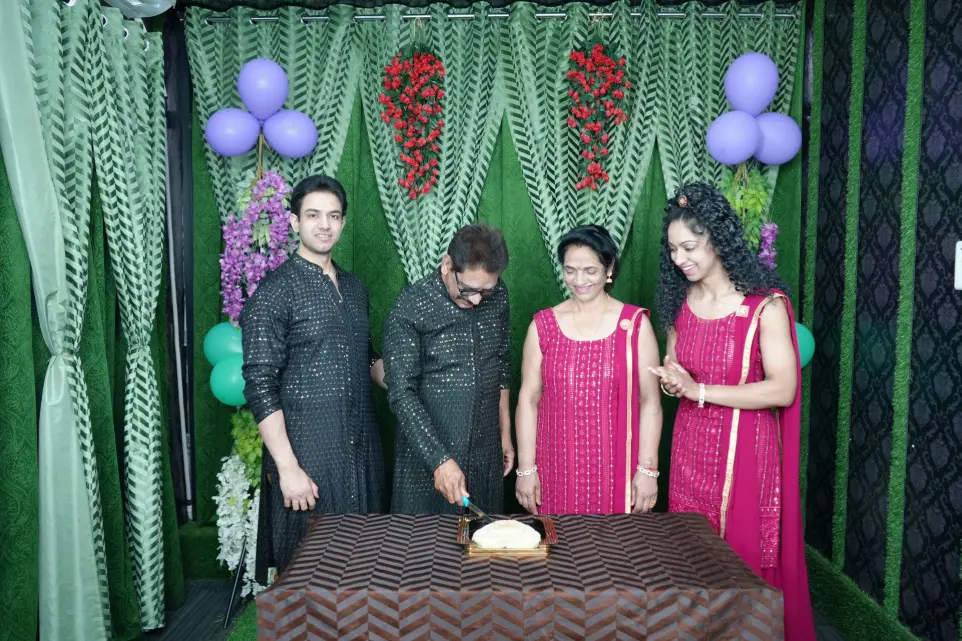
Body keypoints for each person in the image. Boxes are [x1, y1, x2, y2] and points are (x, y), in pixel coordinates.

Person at [649, 182, 816, 641]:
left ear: (718, 240)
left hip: (744, 451)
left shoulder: (764, 305)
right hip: (690, 448)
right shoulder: (681, 303)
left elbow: (782, 389)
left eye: (689, 247)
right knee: (692, 556)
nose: (680, 258)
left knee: (741, 559)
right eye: (673, 250)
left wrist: (699, 390)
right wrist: (672, 378)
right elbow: (676, 367)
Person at [241, 175, 386, 576]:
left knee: (366, 572)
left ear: (343, 222)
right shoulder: (274, 293)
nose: (324, 225)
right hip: (308, 457)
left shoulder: (355, 288)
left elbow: (366, 358)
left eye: (333, 216)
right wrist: (288, 469)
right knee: (310, 575)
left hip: (363, 453)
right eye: (313, 215)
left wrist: (407, 378)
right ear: (294, 222)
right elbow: (260, 386)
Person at [514, 225, 663, 515]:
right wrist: (526, 469)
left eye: (590, 271)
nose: (579, 280)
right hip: (556, 469)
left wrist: (648, 470)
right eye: (570, 270)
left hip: (618, 470)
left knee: (616, 543)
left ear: (609, 269)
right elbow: (528, 400)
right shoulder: (543, 326)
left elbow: (650, 403)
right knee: (558, 542)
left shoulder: (634, 326)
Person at [384, 223, 513, 514]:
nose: (477, 299)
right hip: (427, 460)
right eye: (468, 289)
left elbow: (501, 364)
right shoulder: (411, 305)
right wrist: (438, 459)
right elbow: (401, 392)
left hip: (485, 455)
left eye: (486, 291)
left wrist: (505, 433)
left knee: (484, 538)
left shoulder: (498, 296)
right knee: (428, 541)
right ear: (447, 265)